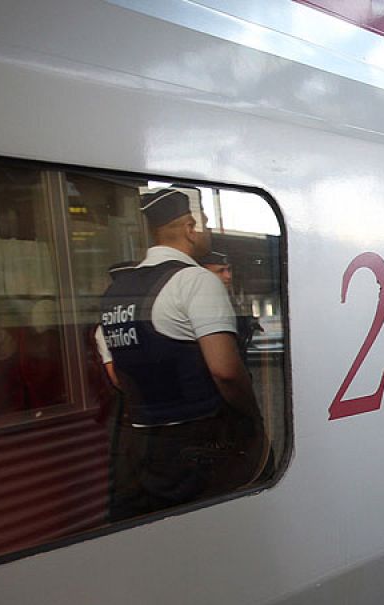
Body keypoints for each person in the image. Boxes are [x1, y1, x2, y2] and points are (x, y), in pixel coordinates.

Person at [98, 187, 267, 521]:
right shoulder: (194, 281)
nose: (207, 230)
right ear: (191, 228)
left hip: (139, 446)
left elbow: (119, 373)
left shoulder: (116, 291)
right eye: (204, 222)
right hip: (196, 447)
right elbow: (226, 372)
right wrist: (253, 420)